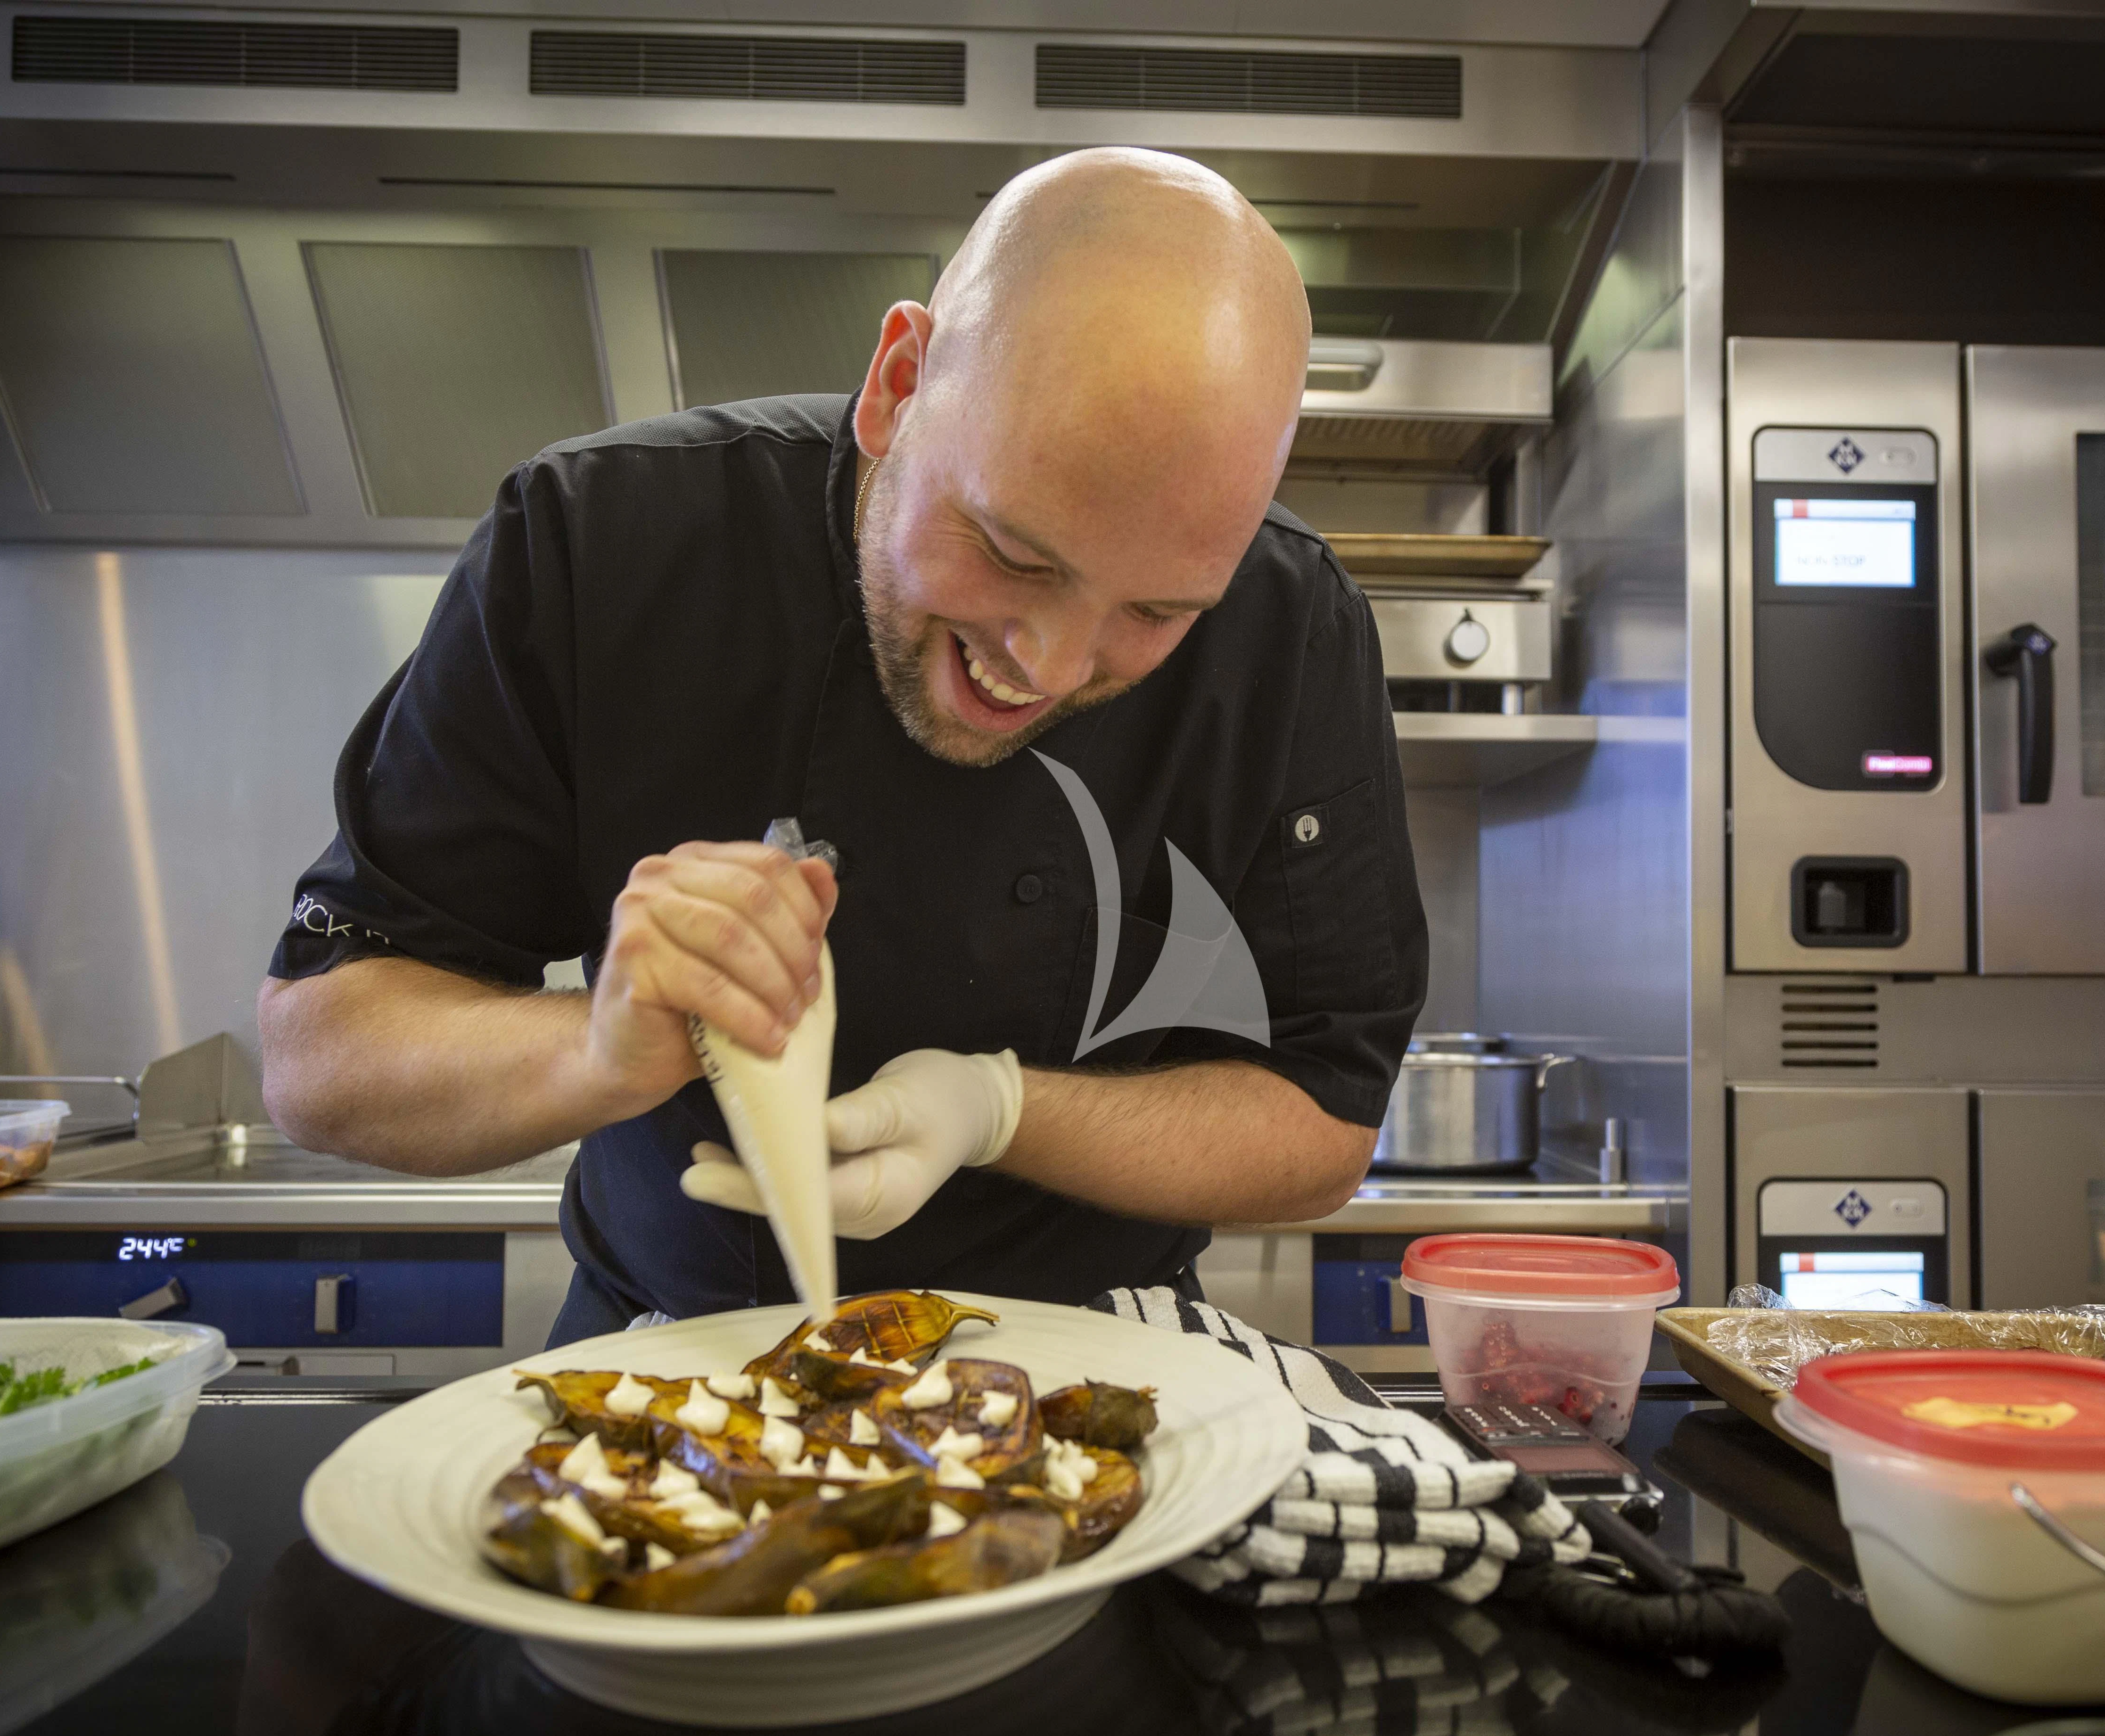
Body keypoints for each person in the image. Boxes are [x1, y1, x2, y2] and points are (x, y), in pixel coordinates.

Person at [257, 147, 1426, 1342]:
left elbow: (1326, 1124)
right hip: (671, 1340)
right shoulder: (600, 543)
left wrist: (997, 1110)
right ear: (899, 385)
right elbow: (316, 1059)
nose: (1052, 667)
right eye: (1014, 555)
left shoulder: (1290, 627)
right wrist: (597, 1048)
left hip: (1109, 1353)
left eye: (1157, 613)